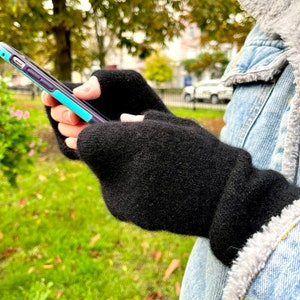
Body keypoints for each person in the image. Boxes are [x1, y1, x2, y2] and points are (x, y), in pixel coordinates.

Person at [42, 0, 300, 298]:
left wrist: (226, 197)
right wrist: (157, 122)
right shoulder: (273, 20)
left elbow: (231, 185)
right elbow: (247, 156)